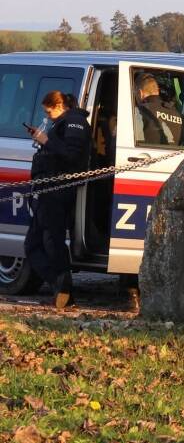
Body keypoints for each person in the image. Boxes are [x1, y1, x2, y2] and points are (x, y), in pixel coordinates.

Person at [25, 91, 91, 309]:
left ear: (61, 105)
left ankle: (64, 290)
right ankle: (59, 287)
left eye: (49, 111)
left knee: (52, 241)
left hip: (58, 189)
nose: (48, 116)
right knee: (33, 244)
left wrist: (46, 141)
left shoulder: (75, 123)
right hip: (46, 189)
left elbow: (72, 155)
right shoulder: (62, 123)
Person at [135, 73, 184, 145]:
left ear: (140, 93)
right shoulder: (178, 114)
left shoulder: (139, 112)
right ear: (157, 91)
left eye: (135, 94)